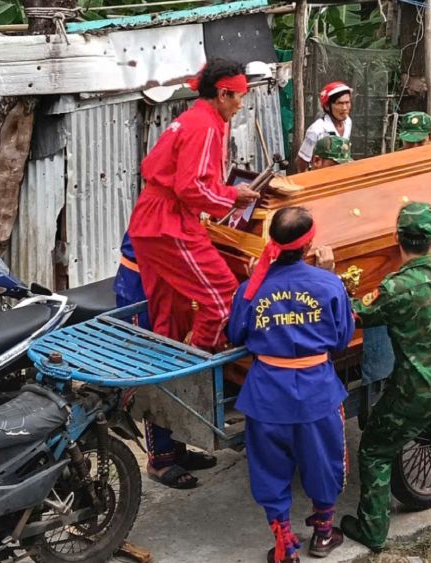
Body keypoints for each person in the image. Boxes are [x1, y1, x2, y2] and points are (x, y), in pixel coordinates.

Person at [127, 59, 260, 488]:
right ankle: (192, 374)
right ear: (223, 93)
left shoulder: (192, 119)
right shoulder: (204, 124)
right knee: (224, 298)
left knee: (169, 325)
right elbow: (192, 188)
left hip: (153, 222)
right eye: (239, 96)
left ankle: (165, 454)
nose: (241, 104)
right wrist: (233, 196)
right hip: (170, 221)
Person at [340, 202, 431, 559]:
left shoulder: (394, 288)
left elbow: (353, 312)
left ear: (395, 238)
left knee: (375, 450)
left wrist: (330, 274)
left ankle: (373, 531)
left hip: (415, 392)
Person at [227, 206, 353, 563]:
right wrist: (330, 276)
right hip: (317, 393)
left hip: (267, 395)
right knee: (323, 463)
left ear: (272, 242)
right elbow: (342, 338)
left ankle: (285, 547)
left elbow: (235, 333)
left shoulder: (251, 288)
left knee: (269, 468)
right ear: (310, 242)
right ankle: (324, 536)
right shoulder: (329, 284)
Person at [113, 232, 216, 488]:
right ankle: (159, 461)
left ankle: (176, 450)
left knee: (176, 366)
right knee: (155, 370)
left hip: (170, 284)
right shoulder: (167, 199)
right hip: (144, 288)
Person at [297, 81, 353, 172]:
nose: (345, 108)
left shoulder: (348, 122)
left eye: (347, 102)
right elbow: (301, 161)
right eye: (340, 103)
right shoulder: (316, 130)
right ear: (327, 106)